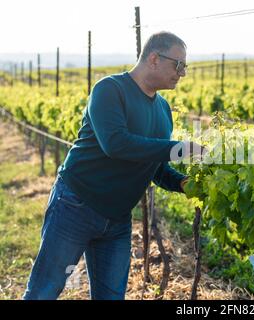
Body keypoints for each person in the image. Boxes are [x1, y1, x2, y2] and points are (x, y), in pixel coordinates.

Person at [23, 31, 203, 300]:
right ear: (154, 58)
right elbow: (116, 144)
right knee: (44, 292)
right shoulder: (109, 90)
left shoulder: (163, 110)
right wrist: (179, 149)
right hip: (76, 206)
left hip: (117, 219)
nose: (182, 73)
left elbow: (153, 164)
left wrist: (183, 183)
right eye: (178, 65)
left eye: (184, 67)